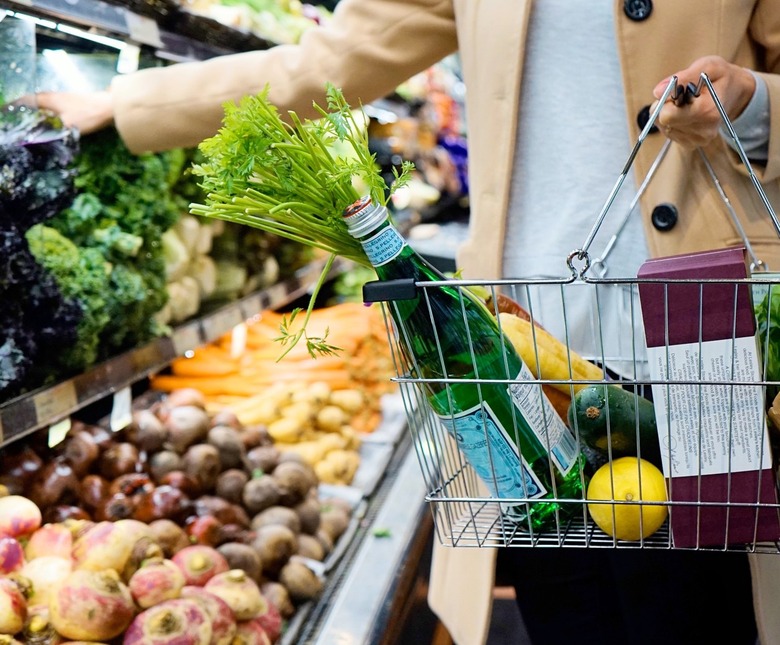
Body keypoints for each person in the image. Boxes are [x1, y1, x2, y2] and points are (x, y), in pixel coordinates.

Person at [36, 1, 780, 643]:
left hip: (700, 336)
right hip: (514, 349)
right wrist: (128, 104)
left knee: (703, 608)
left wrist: (751, 106)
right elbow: (329, 61)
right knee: (569, 605)